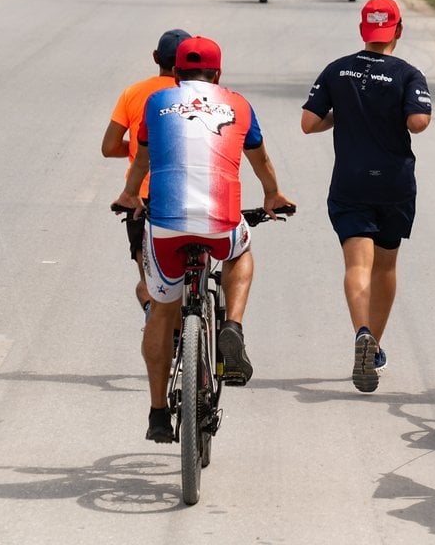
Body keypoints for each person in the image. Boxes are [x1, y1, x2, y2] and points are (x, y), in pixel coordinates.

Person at [114, 36, 295, 442]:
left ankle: (158, 413)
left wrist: (129, 195)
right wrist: (272, 194)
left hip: (165, 225)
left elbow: (141, 159)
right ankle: (232, 325)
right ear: (218, 74)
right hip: (220, 223)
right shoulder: (238, 105)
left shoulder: (155, 105)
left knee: (162, 312)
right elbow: (260, 158)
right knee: (242, 249)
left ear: (174, 73)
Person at [300, 0, 432, 394]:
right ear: (398, 31)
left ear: (363, 30)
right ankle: (374, 346)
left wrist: (346, 112)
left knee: (357, 265)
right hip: (393, 184)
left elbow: (308, 123)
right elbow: (419, 122)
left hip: (351, 183)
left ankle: (360, 331)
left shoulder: (336, 70)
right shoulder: (408, 74)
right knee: (386, 268)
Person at [101, 28, 191, 317]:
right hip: (192, 196)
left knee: (149, 283)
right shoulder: (196, 95)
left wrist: (138, 150)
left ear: (156, 58)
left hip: (143, 201)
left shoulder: (133, 93)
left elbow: (108, 146)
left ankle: (159, 320)